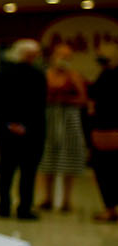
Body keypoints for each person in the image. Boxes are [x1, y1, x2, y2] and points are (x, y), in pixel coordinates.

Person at [0, 40, 48, 220]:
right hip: (31, 132)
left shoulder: (3, 74)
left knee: (6, 171)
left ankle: (4, 205)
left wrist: (9, 124)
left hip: (8, 130)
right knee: (28, 172)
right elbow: (38, 105)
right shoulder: (38, 75)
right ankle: (24, 208)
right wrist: (26, 126)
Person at [36, 42, 89, 212]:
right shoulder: (46, 76)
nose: (63, 60)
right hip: (50, 118)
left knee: (69, 160)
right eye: (60, 55)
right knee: (48, 158)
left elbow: (83, 100)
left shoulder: (74, 76)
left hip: (69, 119)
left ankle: (67, 200)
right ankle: (48, 198)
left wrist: (66, 99)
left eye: (66, 57)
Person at [89, 55, 118, 222]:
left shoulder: (106, 77)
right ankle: (110, 208)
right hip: (105, 128)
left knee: (106, 171)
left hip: (106, 129)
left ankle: (109, 208)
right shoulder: (106, 76)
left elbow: (92, 102)